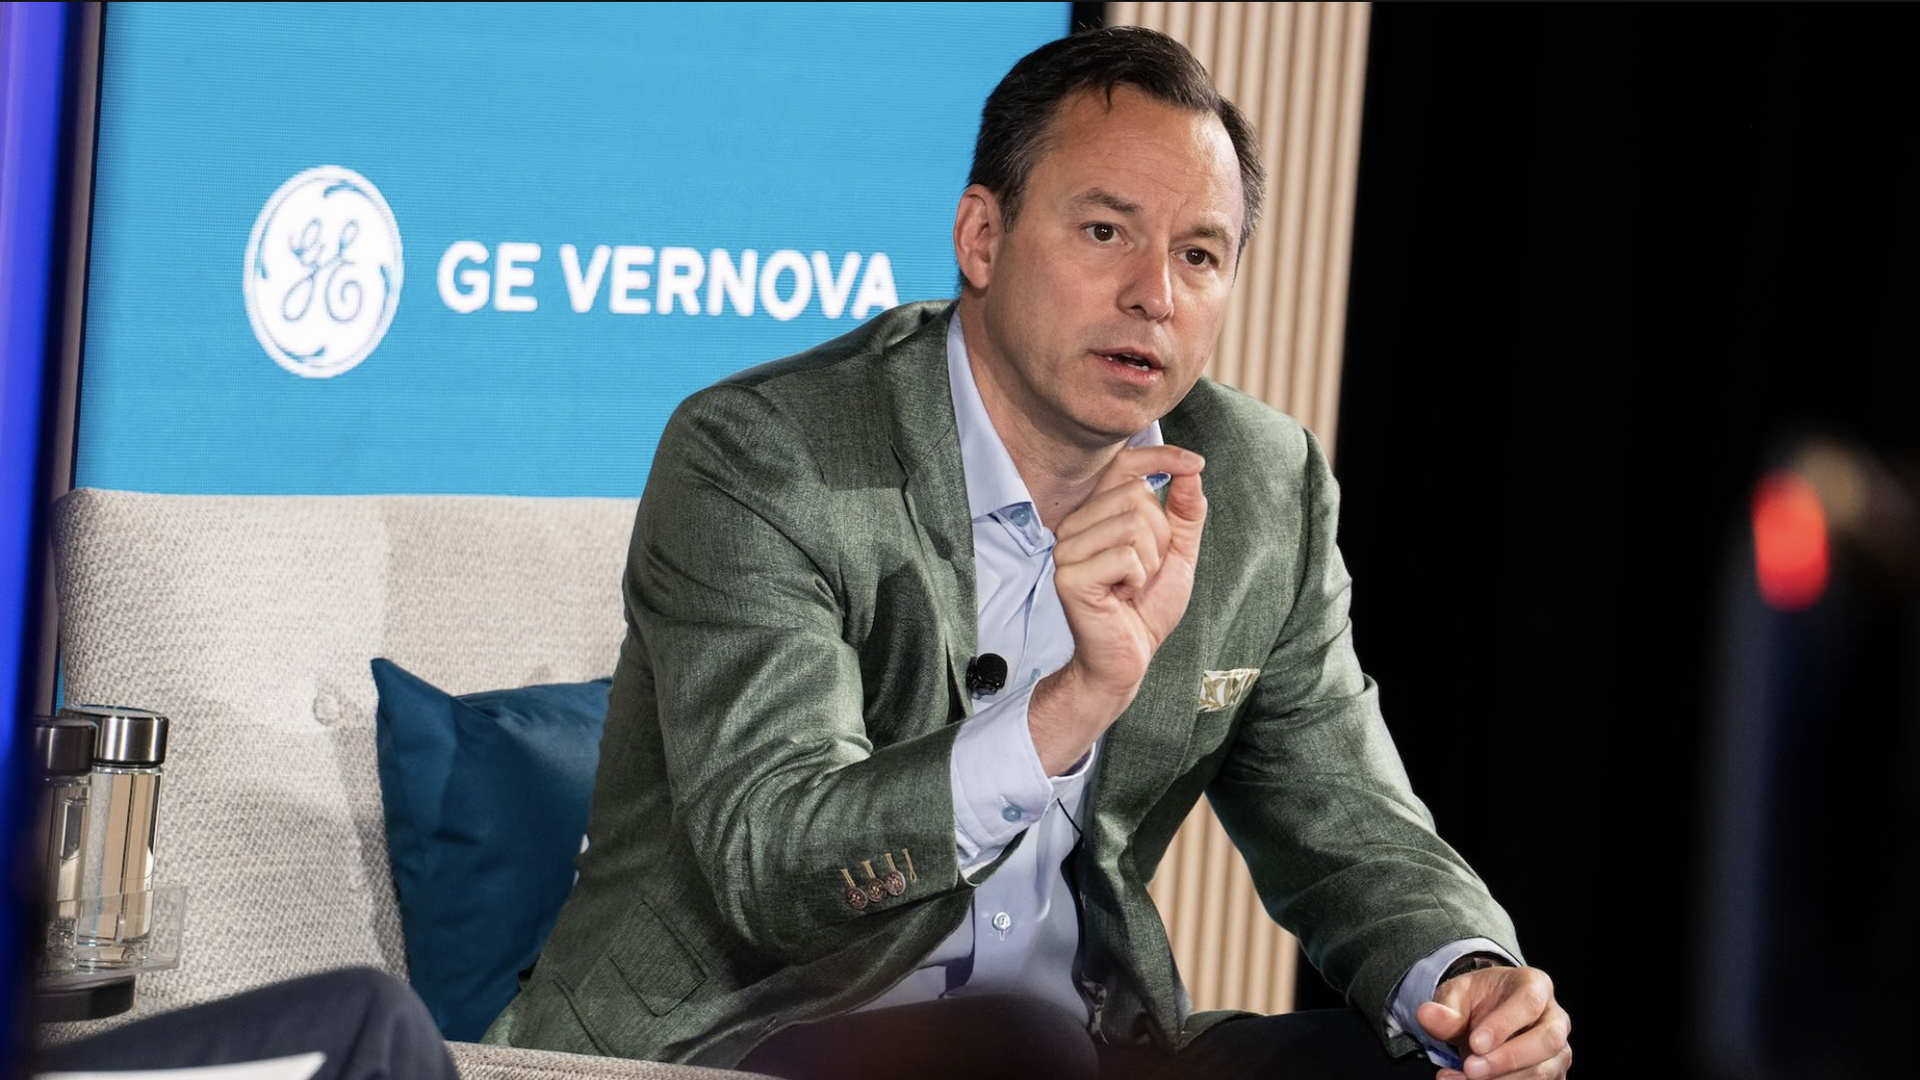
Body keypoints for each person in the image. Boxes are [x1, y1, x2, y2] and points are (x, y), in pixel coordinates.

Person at [486, 26, 1571, 1080]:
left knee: (1436, 1066)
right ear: (982, 238)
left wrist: (1466, 979)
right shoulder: (765, 454)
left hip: (1087, 1044)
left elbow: (1351, 823)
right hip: (755, 1033)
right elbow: (773, 860)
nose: (1154, 294)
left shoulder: (1261, 484)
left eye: (1198, 255)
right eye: (1105, 232)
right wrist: (1071, 705)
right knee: (1010, 1046)